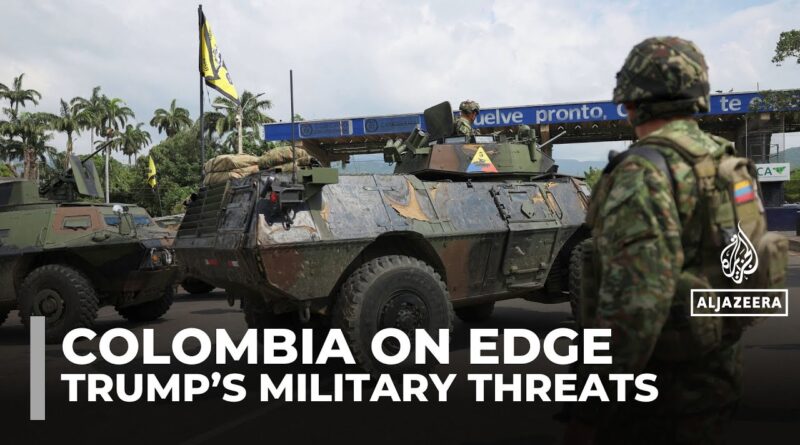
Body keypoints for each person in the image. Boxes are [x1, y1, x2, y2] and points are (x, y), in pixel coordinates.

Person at [564, 36, 759, 444]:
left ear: (631, 102)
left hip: (655, 403)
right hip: (717, 380)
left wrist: (589, 411)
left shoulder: (642, 173)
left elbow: (635, 306)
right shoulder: (727, 162)